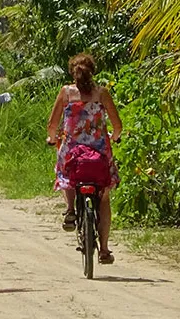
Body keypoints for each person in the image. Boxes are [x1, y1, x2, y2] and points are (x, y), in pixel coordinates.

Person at [46, 53, 122, 265]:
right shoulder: (102, 94)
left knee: (64, 173)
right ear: (93, 71)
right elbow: (117, 126)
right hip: (99, 154)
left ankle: (70, 209)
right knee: (104, 197)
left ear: (73, 73)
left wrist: (52, 139)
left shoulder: (66, 93)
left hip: (72, 152)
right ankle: (104, 249)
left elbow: (52, 126)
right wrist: (115, 138)